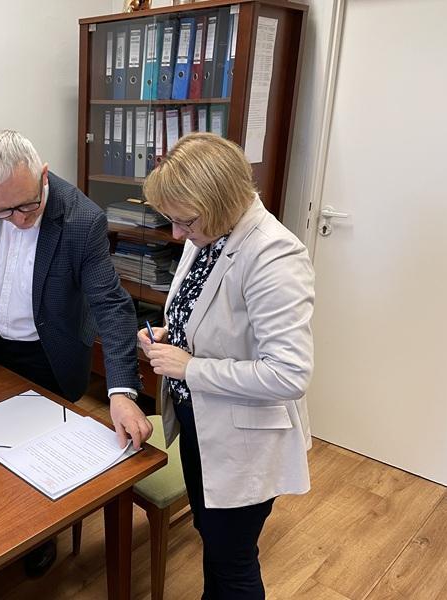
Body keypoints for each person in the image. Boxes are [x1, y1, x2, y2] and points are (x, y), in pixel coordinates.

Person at [0, 130, 152, 577]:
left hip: (50, 352)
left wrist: (121, 391)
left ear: (43, 175)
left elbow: (111, 305)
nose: (17, 220)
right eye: (3, 211)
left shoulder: (81, 220)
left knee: (42, 461)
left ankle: (39, 537)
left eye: (27, 206)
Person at [138, 133, 314, 599]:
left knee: (233, 560)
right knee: (213, 541)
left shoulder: (274, 256)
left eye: (184, 221)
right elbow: (210, 315)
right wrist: (172, 335)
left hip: (244, 438)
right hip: (200, 421)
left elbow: (288, 374)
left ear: (220, 201)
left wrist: (189, 367)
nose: (177, 234)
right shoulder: (210, 231)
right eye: (171, 220)